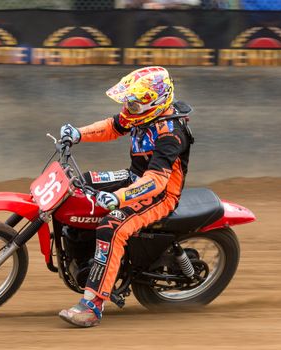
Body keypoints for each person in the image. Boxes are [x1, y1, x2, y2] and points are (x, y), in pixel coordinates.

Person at [58, 66, 194, 327]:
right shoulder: (141, 115)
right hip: (135, 178)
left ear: (154, 102)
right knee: (78, 183)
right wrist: (78, 134)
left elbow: (156, 181)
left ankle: (92, 306)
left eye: (133, 103)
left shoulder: (171, 133)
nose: (128, 107)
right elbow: (113, 126)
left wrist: (120, 198)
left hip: (160, 194)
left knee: (112, 227)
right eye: (128, 102)